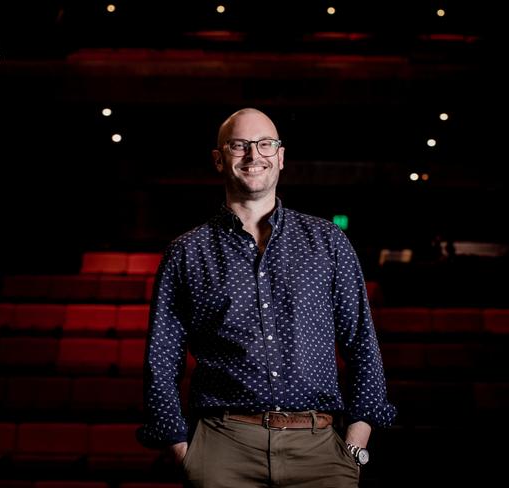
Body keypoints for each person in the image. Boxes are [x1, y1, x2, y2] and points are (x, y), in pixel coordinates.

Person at [137, 108, 396, 487]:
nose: (253, 155)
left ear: (280, 156)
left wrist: (357, 440)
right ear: (218, 159)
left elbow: (362, 344)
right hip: (222, 447)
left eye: (265, 144)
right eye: (239, 145)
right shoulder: (186, 252)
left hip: (320, 449)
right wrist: (181, 449)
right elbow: (161, 360)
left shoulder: (328, 242)